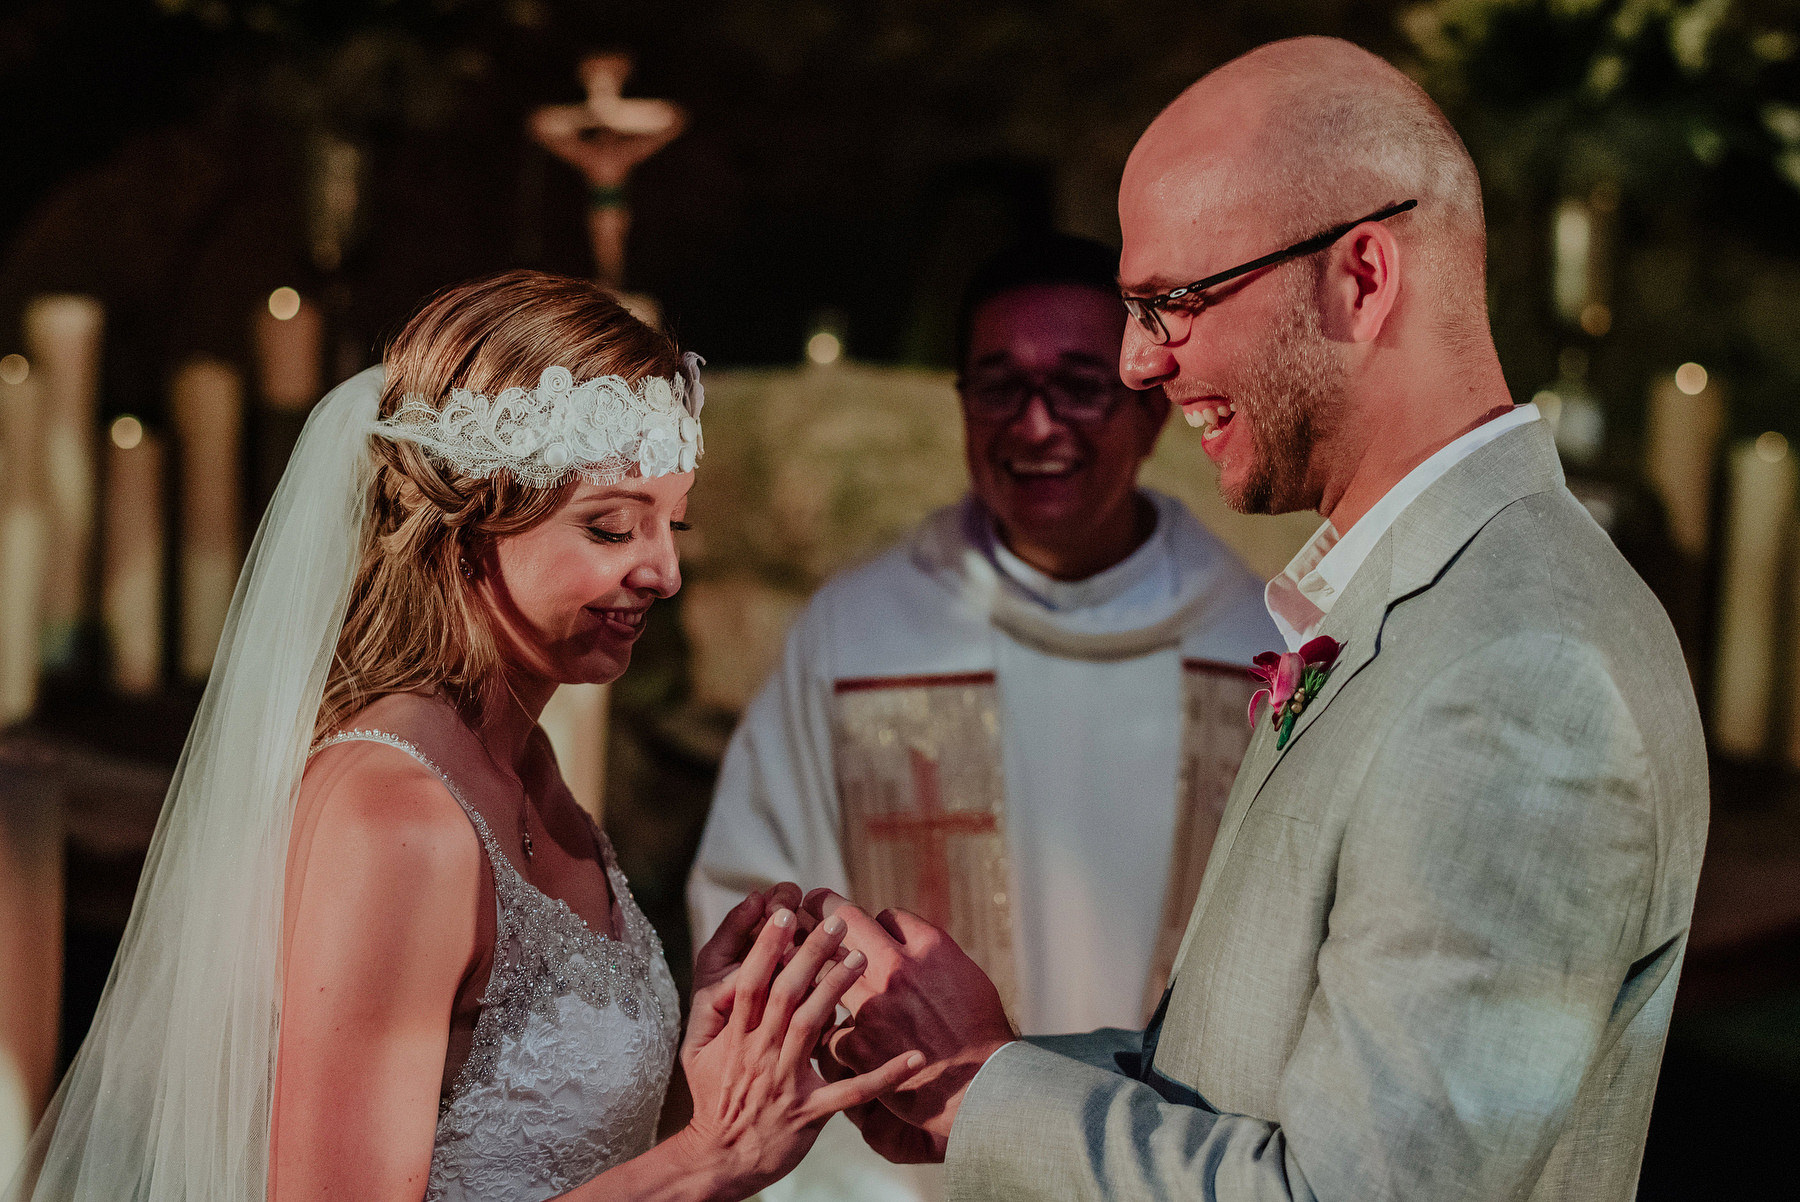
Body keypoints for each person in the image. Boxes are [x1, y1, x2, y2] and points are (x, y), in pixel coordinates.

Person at [812, 37, 1709, 1202]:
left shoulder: (1522, 670)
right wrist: (976, 1073)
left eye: (1175, 300)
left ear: (1363, 276)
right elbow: (1257, 1087)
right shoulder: (1428, 596)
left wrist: (985, 1096)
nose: (1139, 360)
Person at [8, 270, 916, 1202]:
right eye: (611, 528)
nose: (665, 571)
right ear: (469, 526)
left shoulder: (532, 766)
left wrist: (707, 1076)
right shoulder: (394, 819)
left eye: (671, 525)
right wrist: (708, 1161)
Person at [689, 234, 1277, 1200]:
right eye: (997, 386)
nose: (1036, 424)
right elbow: (764, 920)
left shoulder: (1254, 646)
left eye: (1080, 384)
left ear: (1150, 407)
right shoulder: (860, 636)